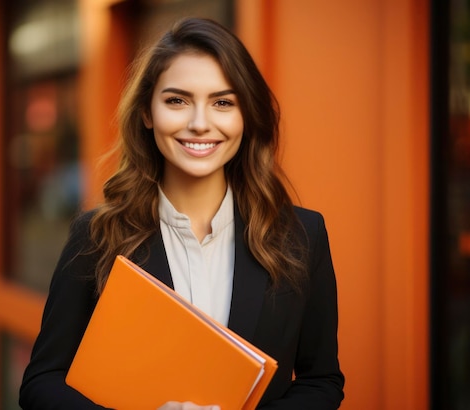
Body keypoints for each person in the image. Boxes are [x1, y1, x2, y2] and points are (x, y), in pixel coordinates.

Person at [19, 17, 344, 409]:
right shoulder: (96, 235)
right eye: (177, 101)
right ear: (146, 113)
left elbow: (322, 380)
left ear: (246, 116)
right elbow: (41, 383)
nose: (200, 124)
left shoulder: (302, 235)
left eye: (223, 103)